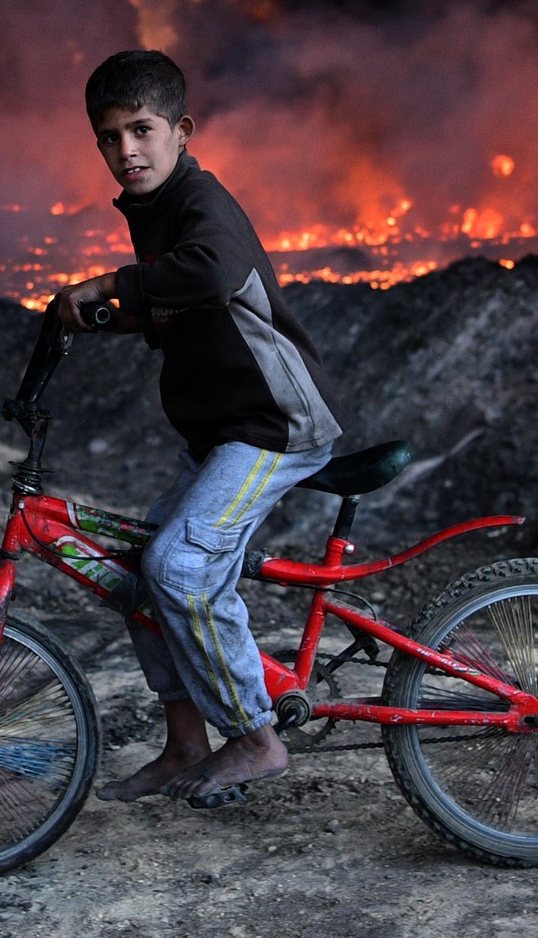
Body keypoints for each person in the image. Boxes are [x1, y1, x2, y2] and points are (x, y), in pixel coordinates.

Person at [49, 49, 343, 806]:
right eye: (109, 139)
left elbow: (211, 272)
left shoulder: (202, 205)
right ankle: (185, 745)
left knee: (180, 569)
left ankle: (254, 736)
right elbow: (171, 305)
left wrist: (112, 281)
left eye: (141, 131)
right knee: (144, 576)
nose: (126, 152)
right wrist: (95, 315)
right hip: (223, 433)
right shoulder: (153, 214)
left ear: (181, 130)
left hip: (273, 425)